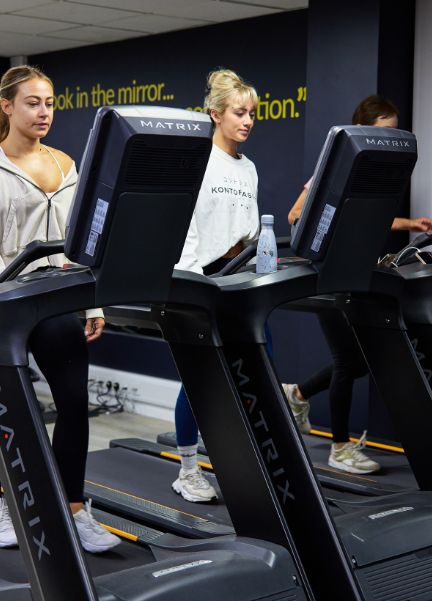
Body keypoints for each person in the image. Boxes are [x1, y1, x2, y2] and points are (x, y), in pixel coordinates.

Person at [0, 65, 120, 552]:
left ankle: (75, 510)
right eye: (33, 102)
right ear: (7, 107)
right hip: (2, 306)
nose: (44, 111)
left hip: (54, 301)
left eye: (49, 102)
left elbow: (83, 241)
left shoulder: (67, 166)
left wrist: (94, 301)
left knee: (72, 404)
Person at [283, 94, 432, 474]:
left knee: (362, 361)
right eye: (384, 132)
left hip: (360, 274)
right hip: (330, 273)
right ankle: (340, 448)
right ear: (365, 130)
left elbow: (373, 218)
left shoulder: (381, 173)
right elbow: (296, 214)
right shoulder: (338, 167)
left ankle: (298, 393)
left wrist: (411, 225)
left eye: (395, 131)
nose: (391, 139)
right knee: (348, 363)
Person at [171, 69, 260, 502]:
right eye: (239, 113)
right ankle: (187, 469)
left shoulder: (249, 168)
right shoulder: (198, 162)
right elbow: (185, 225)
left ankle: (243, 461)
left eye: (251, 114)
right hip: (201, 279)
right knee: (199, 379)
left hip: (241, 277)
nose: (246, 121)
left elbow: (251, 228)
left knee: (249, 373)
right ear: (215, 115)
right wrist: (192, 283)